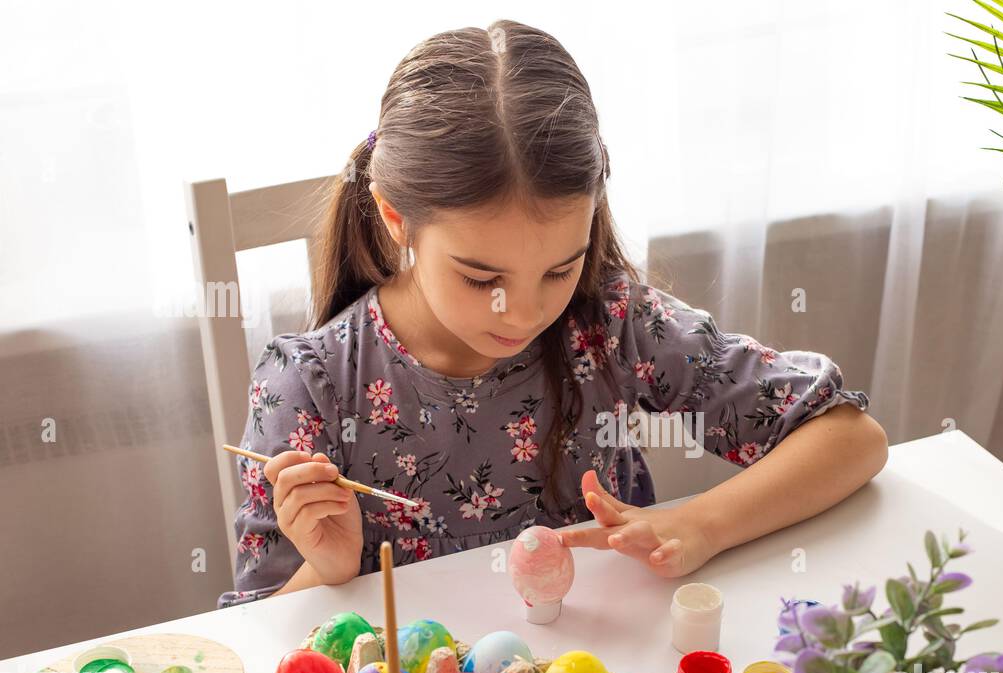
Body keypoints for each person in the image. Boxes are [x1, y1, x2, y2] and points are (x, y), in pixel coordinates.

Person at [218, 20, 886, 608]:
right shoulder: (309, 386)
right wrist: (328, 569)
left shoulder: (610, 324)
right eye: (482, 278)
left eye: (560, 268)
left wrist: (700, 524)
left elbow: (850, 440)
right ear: (397, 219)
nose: (528, 311)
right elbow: (249, 639)